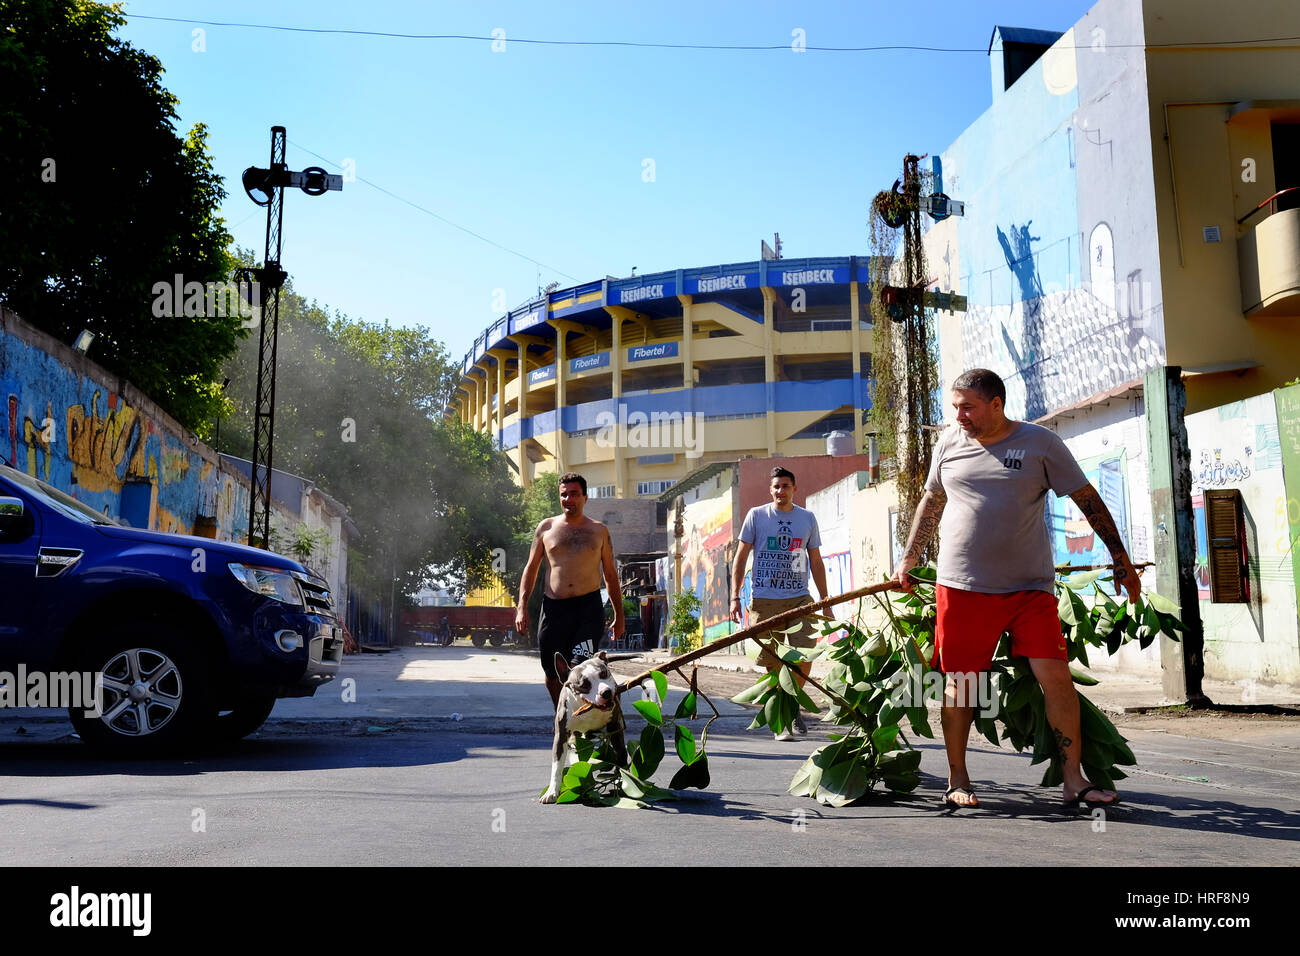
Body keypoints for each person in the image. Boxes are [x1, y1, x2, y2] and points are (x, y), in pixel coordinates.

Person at [893, 368, 1139, 808]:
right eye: (955, 407)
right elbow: (932, 499)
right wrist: (910, 556)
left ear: (996, 404)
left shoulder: (1040, 443)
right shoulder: (948, 444)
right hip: (963, 587)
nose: (959, 415)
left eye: (967, 406)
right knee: (962, 684)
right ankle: (958, 779)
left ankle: (1073, 780)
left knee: (1057, 681)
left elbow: (1086, 497)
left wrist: (1120, 558)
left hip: (1030, 590)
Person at [730, 467, 828, 741]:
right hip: (764, 598)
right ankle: (782, 719)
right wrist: (735, 597)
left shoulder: (806, 518)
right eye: (776, 486)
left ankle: (791, 700)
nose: (780, 491)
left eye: (785, 486)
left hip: (799, 598)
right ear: (770, 490)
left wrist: (825, 600)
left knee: (804, 655)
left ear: (794, 489)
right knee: (771, 661)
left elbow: (816, 561)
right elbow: (740, 558)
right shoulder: (756, 516)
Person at [516, 473, 625, 710]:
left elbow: (610, 575)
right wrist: (521, 607)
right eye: (564, 494)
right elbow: (531, 569)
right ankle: (562, 713)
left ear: (585, 497)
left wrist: (619, 615)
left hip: (588, 610)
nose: (568, 499)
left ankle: (580, 714)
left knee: (579, 666)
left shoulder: (599, 531)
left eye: (574, 494)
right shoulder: (546, 528)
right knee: (552, 671)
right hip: (554, 609)